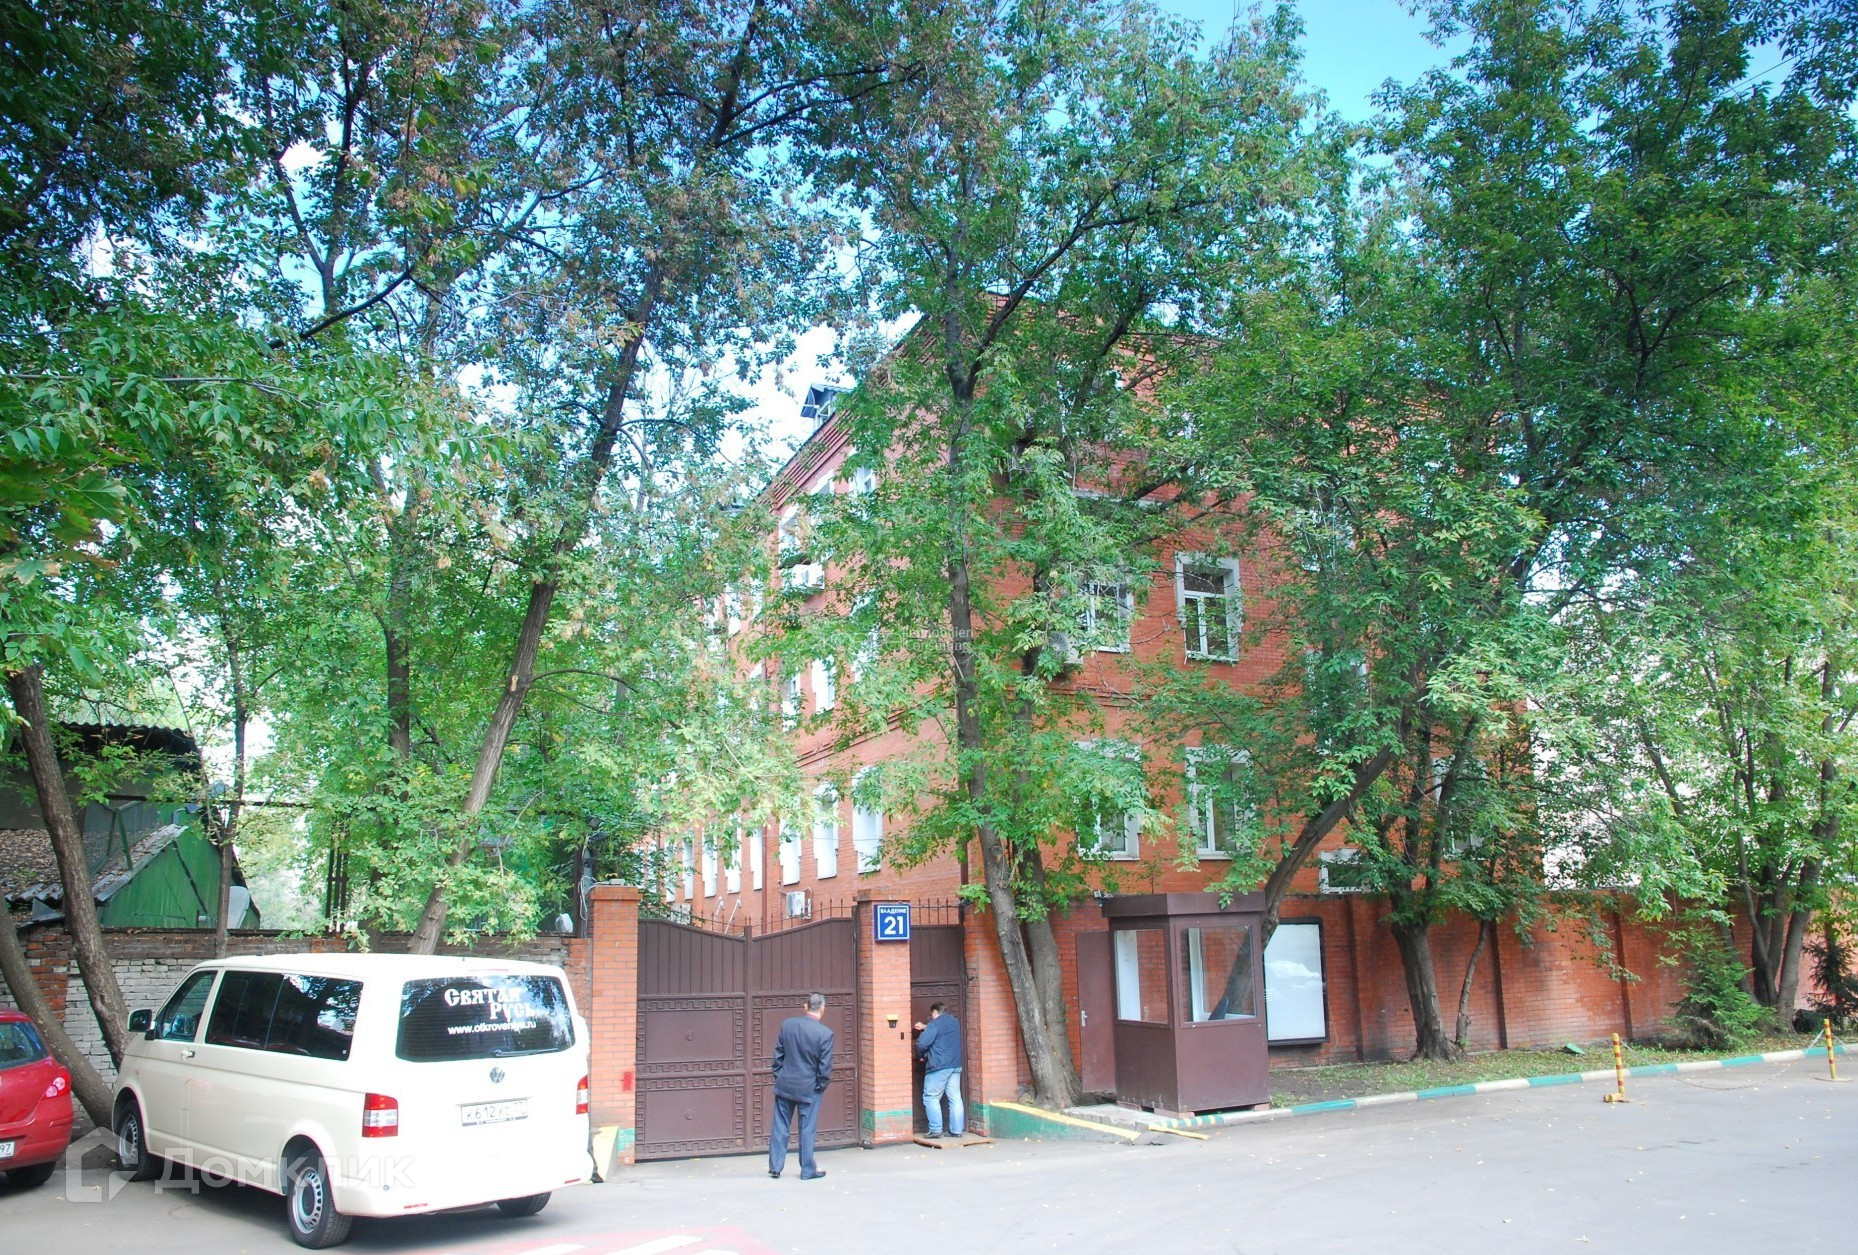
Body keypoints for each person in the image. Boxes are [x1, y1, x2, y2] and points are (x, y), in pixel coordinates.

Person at [768, 991, 834, 1180]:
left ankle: (775, 1167)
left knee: (780, 1125)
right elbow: (825, 1067)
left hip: (785, 1084)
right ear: (823, 1008)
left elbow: (778, 1054)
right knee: (807, 1128)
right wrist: (820, 1086)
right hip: (809, 1088)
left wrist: (779, 1075)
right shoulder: (825, 1034)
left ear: (805, 1007)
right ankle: (807, 1170)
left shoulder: (788, 1025)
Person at [912, 1001, 964, 1139]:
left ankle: (935, 1130)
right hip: (955, 1065)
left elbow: (922, 1043)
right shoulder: (954, 1022)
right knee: (955, 1098)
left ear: (935, 1012)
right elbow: (942, 1031)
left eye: (931, 1014)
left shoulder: (934, 1024)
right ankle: (956, 1130)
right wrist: (926, 1026)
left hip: (939, 1066)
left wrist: (920, 1056)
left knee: (931, 1097)